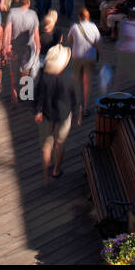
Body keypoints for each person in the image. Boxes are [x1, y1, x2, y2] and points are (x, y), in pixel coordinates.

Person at [34, 44, 77, 185]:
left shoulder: (43, 74)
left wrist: (38, 111)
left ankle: (45, 174)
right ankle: (56, 170)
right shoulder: (69, 76)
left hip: (46, 113)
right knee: (60, 143)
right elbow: (75, 98)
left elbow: (37, 93)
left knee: (46, 144)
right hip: (63, 115)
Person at [67, 7, 103, 115]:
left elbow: (69, 39)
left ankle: (78, 106)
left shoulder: (75, 27)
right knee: (87, 83)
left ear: (79, 17)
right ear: (88, 17)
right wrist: (102, 56)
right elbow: (98, 42)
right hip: (90, 57)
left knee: (77, 82)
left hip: (77, 56)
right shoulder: (94, 27)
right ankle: (86, 107)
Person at [6, 0, 41, 97]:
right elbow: (36, 33)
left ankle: (14, 92)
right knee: (25, 70)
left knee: (14, 70)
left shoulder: (12, 12)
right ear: (29, 3)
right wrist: (38, 46)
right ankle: (25, 94)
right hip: (28, 46)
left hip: (15, 45)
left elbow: (8, 30)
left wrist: (7, 45)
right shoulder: (33, 14)